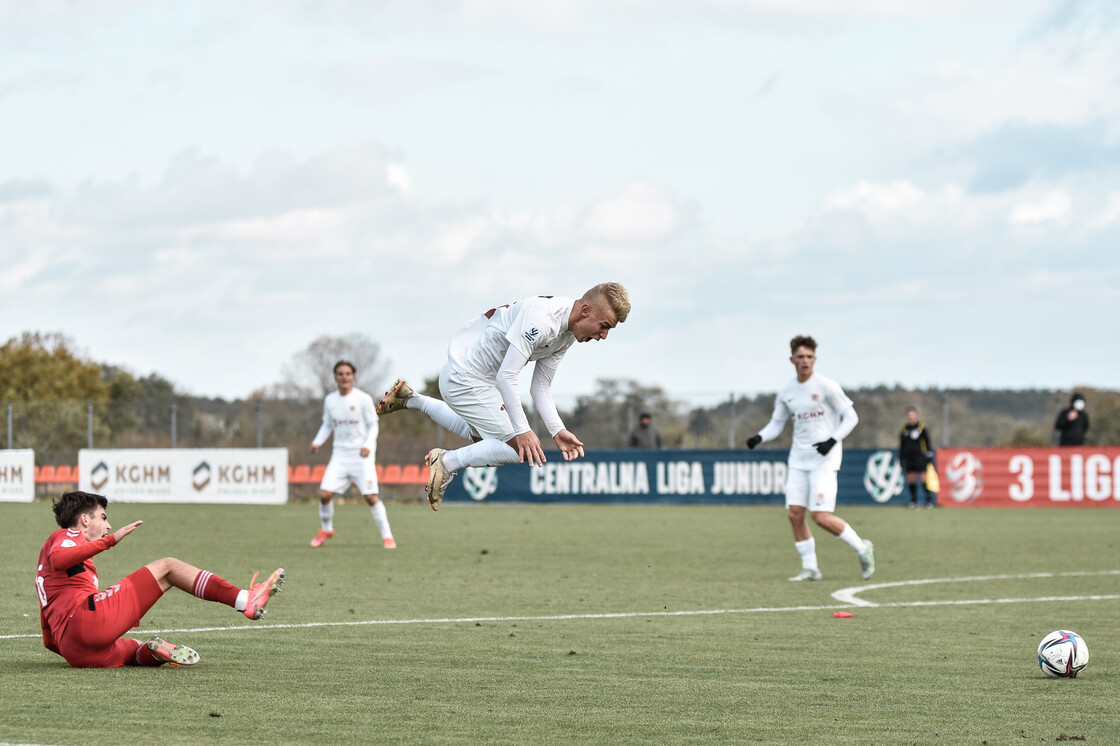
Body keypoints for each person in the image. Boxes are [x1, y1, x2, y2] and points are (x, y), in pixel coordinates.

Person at [376, 282, 631, 510]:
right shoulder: (543, 319)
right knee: (518, 449)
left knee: (484, 439)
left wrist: (557, 430)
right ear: (585, 311)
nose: (603, 336)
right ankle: (445, 461)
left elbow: (540, 386)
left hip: (473, 378)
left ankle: (410, 399)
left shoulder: (566, 334)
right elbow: (507, 376)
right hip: (465, 378)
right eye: (604, 326)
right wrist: (523, 430)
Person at [36, 490, 285, 669]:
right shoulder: (67, 535)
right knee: (167, 568)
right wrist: (108, 542)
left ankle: (153, 652)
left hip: (73, 650)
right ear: (85, 519)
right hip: (84, 622)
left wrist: (71, 649)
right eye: (103, 517)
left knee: (133, 649)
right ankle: (245, 600)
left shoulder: (47, 564)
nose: (108, 525)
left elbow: (48, 636)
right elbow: (60, 559)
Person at [745, 335, 874, 582]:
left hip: (824, 460)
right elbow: (777, 423)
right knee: (794, 514)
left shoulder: (827, 386)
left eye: (809, 357)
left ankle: (861, 547)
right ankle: (811, 567)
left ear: (815, 359)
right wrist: (759, 437)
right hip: (798, 459)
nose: (805, 361)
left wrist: (831, 440)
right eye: (801, 357)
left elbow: (851, 417)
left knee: (821, 517)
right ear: (792, 359)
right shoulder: (787, 391)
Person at [309, 360, 396, 548]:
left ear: (353, 377)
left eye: (348, 374)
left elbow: (374, 425)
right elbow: (327, 424)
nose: (344, 377)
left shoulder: (363, 399)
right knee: (325, 494)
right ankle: (326, 530)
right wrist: (317, 441)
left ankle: (387, 536)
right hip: (339, 455)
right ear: (335, 378)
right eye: (340, 374)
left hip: (361, 456)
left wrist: (367, 445)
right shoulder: (330, 400)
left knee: (370, 497)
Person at [899, 406, 936, 509]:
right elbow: (902, 445)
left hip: (919, 457)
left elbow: (928, 443)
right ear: (907, 416)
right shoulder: (904, 429)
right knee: (911, 479)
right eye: (909, 415)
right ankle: (914, 501)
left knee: (923, 478)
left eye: (913, 415)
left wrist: (929, 455)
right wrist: (901, 458)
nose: (911, 417)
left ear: (916, 415)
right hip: (909, 458)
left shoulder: (921, 428)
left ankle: (928, 501)